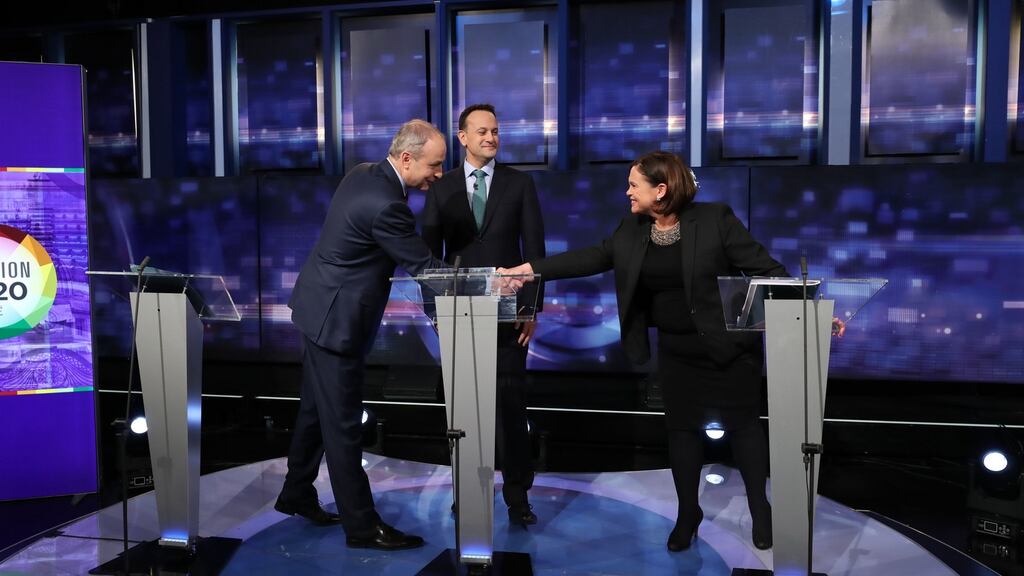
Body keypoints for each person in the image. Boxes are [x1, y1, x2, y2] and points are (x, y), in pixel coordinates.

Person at [499, 151, 785, 551]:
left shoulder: (715, 219)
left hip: (728, 348)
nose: (627, 192)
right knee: (681, 432)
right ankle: (689, 513)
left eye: (635, 185)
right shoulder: (632, 229)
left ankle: (760, 508)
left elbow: (768, 272)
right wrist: (526, 270)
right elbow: (590, 258)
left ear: (661, 190)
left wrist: (809, 310)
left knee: (745, 428)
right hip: (676, 350)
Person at [275, 119, 448, 550]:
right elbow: (426, 268)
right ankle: (362, 526)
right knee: (343, 425)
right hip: (335, 324)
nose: (439, 174)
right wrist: (482, 288)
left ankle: (296, 492)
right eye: (436, 165)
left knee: (316, 413)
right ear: (407, 158)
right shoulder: (387, 206)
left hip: (317, 309)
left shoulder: (362, 172)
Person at [421, 103, 545, 526]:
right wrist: (433, 313)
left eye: (495, 130)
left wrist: (531, 310)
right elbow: (426, 258)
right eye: (482, 131)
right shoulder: (442, 188)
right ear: (462, 138)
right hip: (458, 315)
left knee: (512, 410)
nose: (491, 137)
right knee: (464, 413)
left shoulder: (520, 184)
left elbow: (536, 254)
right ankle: (470, 494)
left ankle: (517, 499)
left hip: (510, 318)